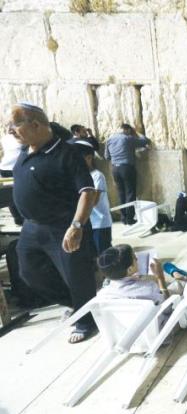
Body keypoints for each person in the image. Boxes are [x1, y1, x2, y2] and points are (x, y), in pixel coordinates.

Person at [10, 103, 97, 343]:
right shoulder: (23, 151)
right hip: (32, 227)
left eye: (14, 126)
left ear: (35, 125)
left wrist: (77, 226)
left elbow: (88, 192)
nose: (9, 131)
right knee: (29, 272)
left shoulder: (66, 153)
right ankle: (76, 303)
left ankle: (86, 320)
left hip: (63, 226)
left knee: (76, 276)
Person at [104, 123, 150, 225]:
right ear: (128, 130)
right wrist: (136, 132)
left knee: (121, 193)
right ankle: (130, 219)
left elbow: (107, 157)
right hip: (126, 168)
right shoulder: (127, 138)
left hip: (115, 169)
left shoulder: (110, 139)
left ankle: (123, 218)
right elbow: (145, 141)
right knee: (130, 193)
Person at [96, 244, 168, 304]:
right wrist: (160, 278)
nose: (137, 258)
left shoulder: (102, 295)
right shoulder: (149, 288)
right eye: (134, 257)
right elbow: (168, 308)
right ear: (129, 269)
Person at [75, 141, 113, 255]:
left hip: (100, 224)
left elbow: (93, 201)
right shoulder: (78, 176)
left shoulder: (97, 176)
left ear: (89, 158)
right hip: (87, 223)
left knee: (103, 254)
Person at [1, 133, 25, 224]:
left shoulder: (5, 138)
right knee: (17, 193)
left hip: (5, 167)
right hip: (15, 168)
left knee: (11, 193)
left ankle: (17, 218)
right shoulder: (22, 137)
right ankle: (20, 218)